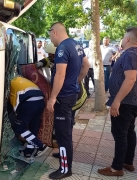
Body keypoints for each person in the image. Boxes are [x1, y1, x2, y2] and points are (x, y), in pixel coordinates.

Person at [98, 27, 137, 176]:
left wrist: (116, 101)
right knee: (128, 132)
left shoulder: (130, 55)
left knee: (120, 134)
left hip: (125, 102)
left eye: (123, 36)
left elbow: (130, 79)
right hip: (132, 101)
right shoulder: (136, 54)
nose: (121, 39)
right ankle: (127, 161)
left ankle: (116, 167)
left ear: (127, 39)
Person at [46, 22, 89, 179]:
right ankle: (65, 156)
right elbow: (86, 65)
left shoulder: (62, 48)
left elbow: (60, 75)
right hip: (71, 94)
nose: (50, 38)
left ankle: (65, 169)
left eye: (50, 34)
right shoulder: (75, 44)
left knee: (63, 134)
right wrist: (77, 81)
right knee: (67, 130)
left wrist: (52, 98)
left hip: (63, 98)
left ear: (55, 32)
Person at [8, 76, 49, 161]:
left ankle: (41, 146)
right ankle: (28, 152)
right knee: (33, 127)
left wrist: (16, 115)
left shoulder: (10, 84)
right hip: (40, 101)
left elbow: (14, 103)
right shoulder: (20, 80)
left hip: (29, 102)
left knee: (18, 127)